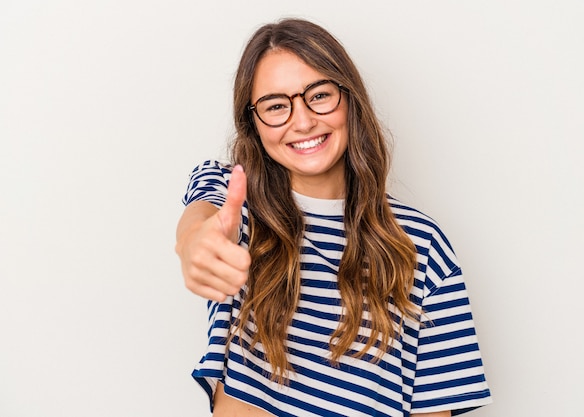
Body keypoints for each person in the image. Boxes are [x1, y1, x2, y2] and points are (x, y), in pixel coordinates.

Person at [175, 18, 492, 417]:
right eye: (276, 106)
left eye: (319, 95)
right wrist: (195, 245)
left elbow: (436, 410)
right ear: (253, 124)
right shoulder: (236, 208)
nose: (303, 120)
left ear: (349, 98)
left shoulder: (421, 245)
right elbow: (200, 221)